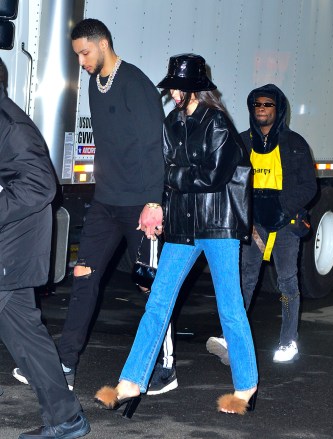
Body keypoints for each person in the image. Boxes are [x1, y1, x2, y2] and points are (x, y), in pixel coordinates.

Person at [12, 18, 177, 396]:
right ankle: (65, 363)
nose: (82, 61)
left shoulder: (135, 84)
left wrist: (155, 202)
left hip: (139, 205)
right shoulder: (93, 84)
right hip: (106, 201)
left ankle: (165, 366)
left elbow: (154, 147)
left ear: (103, 44)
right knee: (84, 279)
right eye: (77, 55)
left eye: (85, 53)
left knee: (152, 287)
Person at [94, 53, 258, 417]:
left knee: (230, 309)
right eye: (171, 86)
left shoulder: (217, 124)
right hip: (183, 227)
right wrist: (158, 205)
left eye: (177, 86)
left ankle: (246, 387)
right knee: (157, 303)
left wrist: (171, 177)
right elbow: (162, 168)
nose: (172, 92)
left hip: (218, 226)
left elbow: (212, 177)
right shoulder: (172, 122)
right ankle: (131, 381)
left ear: (195, 88)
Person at [0, 58, 90, 439]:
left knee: (26, 335)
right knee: (26, 335)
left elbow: (41, 185)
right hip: (9, 249)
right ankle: (66, 418)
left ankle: (67, 418)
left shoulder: (11, 125)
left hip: (11, 250)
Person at [206, 84, 317, 364]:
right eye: (257, 105)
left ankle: (288, 341)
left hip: (284, 223)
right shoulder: (242, 141)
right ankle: (232, 340)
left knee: (287, 281)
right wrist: (245, 217)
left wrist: (283, 208)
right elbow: (230, 182)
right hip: (254, 225)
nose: (262, 109)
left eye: (267, 105)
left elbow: (309, 186)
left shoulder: (295, 144)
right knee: (245, 279)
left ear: (278, 110)